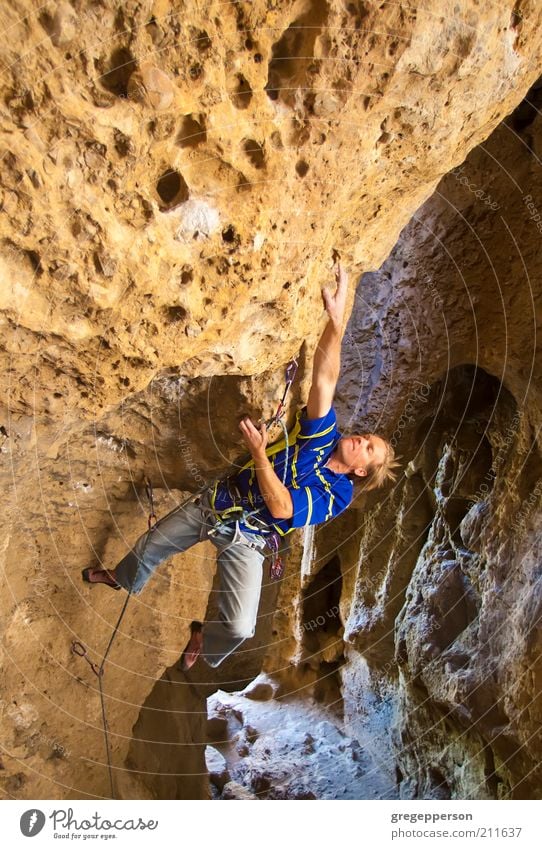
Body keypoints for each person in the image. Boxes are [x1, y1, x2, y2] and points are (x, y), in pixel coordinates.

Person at [81, 262, 399, 670]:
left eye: (368, 449)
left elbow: (283, 508)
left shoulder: (336, 495)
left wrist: (260, 455)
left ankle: (204, 640)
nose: (362, 440)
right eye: (368, 438)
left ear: (360, 472)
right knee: (150, 547)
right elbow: (325, 379)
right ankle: (121, 578)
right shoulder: (326, 439)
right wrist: (335, 324)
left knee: (240, 628)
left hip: (248, 538)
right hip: (218, 502)